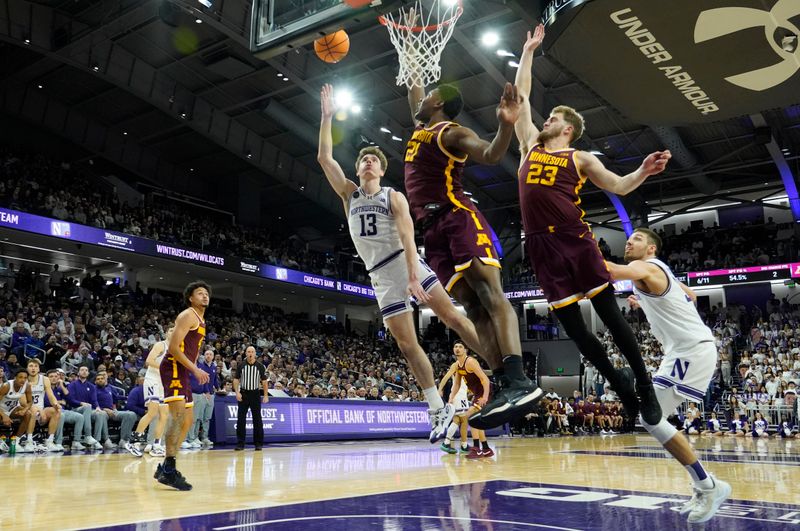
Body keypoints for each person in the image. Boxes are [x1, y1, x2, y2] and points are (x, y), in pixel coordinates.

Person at [513, 24, 669, 425]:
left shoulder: (580, 158)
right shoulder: (529, 145)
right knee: (577, 333)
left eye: (552, 119)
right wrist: (528, 51)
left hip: (575, 241)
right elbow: (522, 97)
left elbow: (618, 185)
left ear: (567, 129)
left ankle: (645, 387)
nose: (543, 121)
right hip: (540, 247)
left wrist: (643, 171)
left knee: (613, 322)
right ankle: (623, 388)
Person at [318, 83, 492, 441]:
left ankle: (503, 369)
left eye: (374, 161)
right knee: (407, 345)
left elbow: (409, 236)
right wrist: (326, 118)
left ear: (380, 170)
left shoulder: (391, 195)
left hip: (403, 261)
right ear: (358, 168)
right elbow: (324, 159)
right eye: (364, 159)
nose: (368, 163)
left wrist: (413, 274)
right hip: (380, 276)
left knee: (452, 317)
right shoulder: (348, 195)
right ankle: (436, 408)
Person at [400, 46, 542, 430]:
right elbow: (414, 90)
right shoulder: (420, 130)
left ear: (440, 102)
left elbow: (492, 154)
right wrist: (411, 54)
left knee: (490, 295)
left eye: (429, 95)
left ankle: (519, 377)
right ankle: (502, 382)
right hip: (432, 231)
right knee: (472, 309)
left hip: (458, 218)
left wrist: (507, 124)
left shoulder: (452, 132)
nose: (421, 97)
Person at [606, 228, 730, 523]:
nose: (629, 241)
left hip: (689, 351)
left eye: (637, 238)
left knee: (650, 417)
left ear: (651, 249)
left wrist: (574, 245)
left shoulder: (644, 267)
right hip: (683, 351)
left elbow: (609, 270)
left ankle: (708, 486)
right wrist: (647, 301)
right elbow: (692, 295)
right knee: (650, 417)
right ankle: (704, 485)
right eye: (629, 237)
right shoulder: (659, 274)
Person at [154, 281, 211, 491]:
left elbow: (188, 350)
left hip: (184, 369)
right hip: (173, 366)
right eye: (200, 293)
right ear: (191, 298)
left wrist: (193, 368)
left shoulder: (201, 319)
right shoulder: (188, 315)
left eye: (206, 293)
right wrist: (195, 369)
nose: (205, 296)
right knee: (177, 416)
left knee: (188, 420)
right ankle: (169, 469)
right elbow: (173, 347)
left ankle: (164, 467)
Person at [127, 327, 173, 457]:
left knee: (164, 415)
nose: (173, 332)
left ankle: (156, 445)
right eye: (171, 330)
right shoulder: (160, 345)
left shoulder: (176, 350)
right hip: (152, 380)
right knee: (152, 412)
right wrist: (165, 369)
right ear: (166, 333)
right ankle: (134, 442)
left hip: (164, 384)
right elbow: (148, 361)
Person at [444, 341, 493, 458]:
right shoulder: (457, 365)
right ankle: (485, 449)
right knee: (476, 420)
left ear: (465, 350)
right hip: (477, 394)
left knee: (469, 417)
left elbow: (485, 379)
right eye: (455, 346)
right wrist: (451, 398)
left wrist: (485, 397)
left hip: (486, 392)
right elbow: (456, 384)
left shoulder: (470, 362)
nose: (457, 349)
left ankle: (476, 448)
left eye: (460, 347)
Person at [233, 346, 268, 451]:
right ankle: (240, 443)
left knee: (257, 419)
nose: (250, 353)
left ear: (255, 354)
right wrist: (237, 392)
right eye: (248, 352)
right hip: (244, 393)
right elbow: (236, 379)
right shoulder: (241, 365)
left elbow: (264, 381)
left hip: (255, 394)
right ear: (245, 353)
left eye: (252, 352)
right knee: (241, 419)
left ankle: (258, 443)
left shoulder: (260, 366)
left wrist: (266, 395)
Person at [26, 358, 62, 451]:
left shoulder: (45, 379)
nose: (33, 368)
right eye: (31, 366)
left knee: (56, 411)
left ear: (39, 369)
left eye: (35, 366)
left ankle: (49, 441)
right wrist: (37, 409)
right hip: (27, 409)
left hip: (41, 410)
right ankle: (29, 442)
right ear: (27, 368)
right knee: (33, 411)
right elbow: (22, 401)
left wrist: (56, 404)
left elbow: (51, 396)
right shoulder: (23, 379)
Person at [438, 359, 471, 455]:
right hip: (458, 395)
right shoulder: (456, 365)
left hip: (461, 395)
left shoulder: (468, 366)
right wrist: (440, 389)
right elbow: (446, 377)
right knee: (464, 420)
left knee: (457, 420)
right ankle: (464, 445)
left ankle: (446, 443)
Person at [186, 349, 217, 449]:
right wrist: (206, 391)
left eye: (210, 354)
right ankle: (191, 438)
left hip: (205, 393)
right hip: (197, 394)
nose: (208, 356)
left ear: (213, 356)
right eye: (206, 354)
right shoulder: (198, 366)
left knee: (203, 417)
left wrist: (217, 387)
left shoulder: (213, 367)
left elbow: (211, 380)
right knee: (196, 418)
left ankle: (200, 437)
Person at [0, 369, 35, 451]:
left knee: (28, 414)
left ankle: (16, 441)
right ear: (15, 377)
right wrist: (4, 416)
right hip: (1, 409)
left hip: (12, 409)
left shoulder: (27, 386)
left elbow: (30, 401)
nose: (23, 380)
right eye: (20, 377)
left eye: (25, 378)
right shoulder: (6, 386)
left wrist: (25, 409)